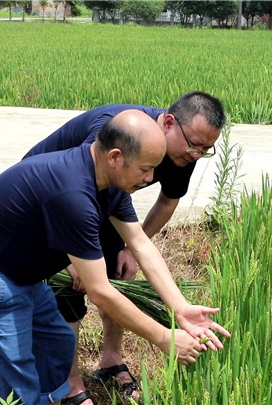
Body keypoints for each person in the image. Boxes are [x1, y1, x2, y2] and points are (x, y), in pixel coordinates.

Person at [0, 110, 230, 405]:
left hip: (22, 276)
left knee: (56, 345)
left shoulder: (109, 184)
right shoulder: (73, 194)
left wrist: (180, 308)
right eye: (146, 169)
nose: (149, 179)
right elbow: (100, 292)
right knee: (14, 390)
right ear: (116, 157)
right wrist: (163, 337)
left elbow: (140, 244)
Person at [24, 91, 226, 403]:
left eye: (205, 150)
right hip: (54, 204)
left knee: (119, 279)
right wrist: (67, 257)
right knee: (72, 293)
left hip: (104, 200)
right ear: (169, 123)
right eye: (194, 145)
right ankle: (71, 384)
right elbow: (68, 194)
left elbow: (167, 202)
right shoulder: (117, 130)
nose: (196, 155)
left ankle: (111, 359)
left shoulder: (182, 152)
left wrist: (129, 250)